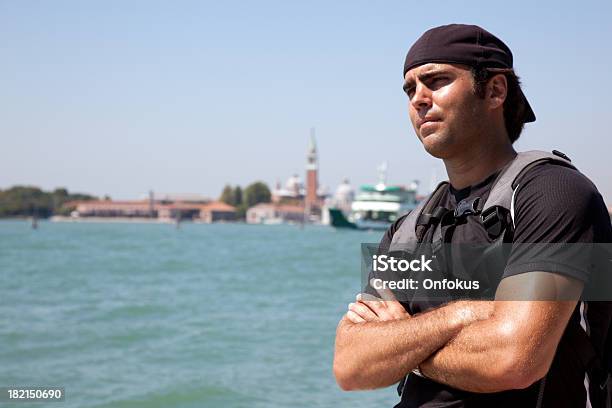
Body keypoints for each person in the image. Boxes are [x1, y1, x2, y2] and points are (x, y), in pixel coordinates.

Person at [333, 24, 612, 408]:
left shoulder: (553, 193)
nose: (419, 99)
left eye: (437, 80)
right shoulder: (410, 227)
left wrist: (402, 347)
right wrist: (460, 314)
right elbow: (350, 366)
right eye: (410, 88)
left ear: (495, 90)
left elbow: (513, 360)